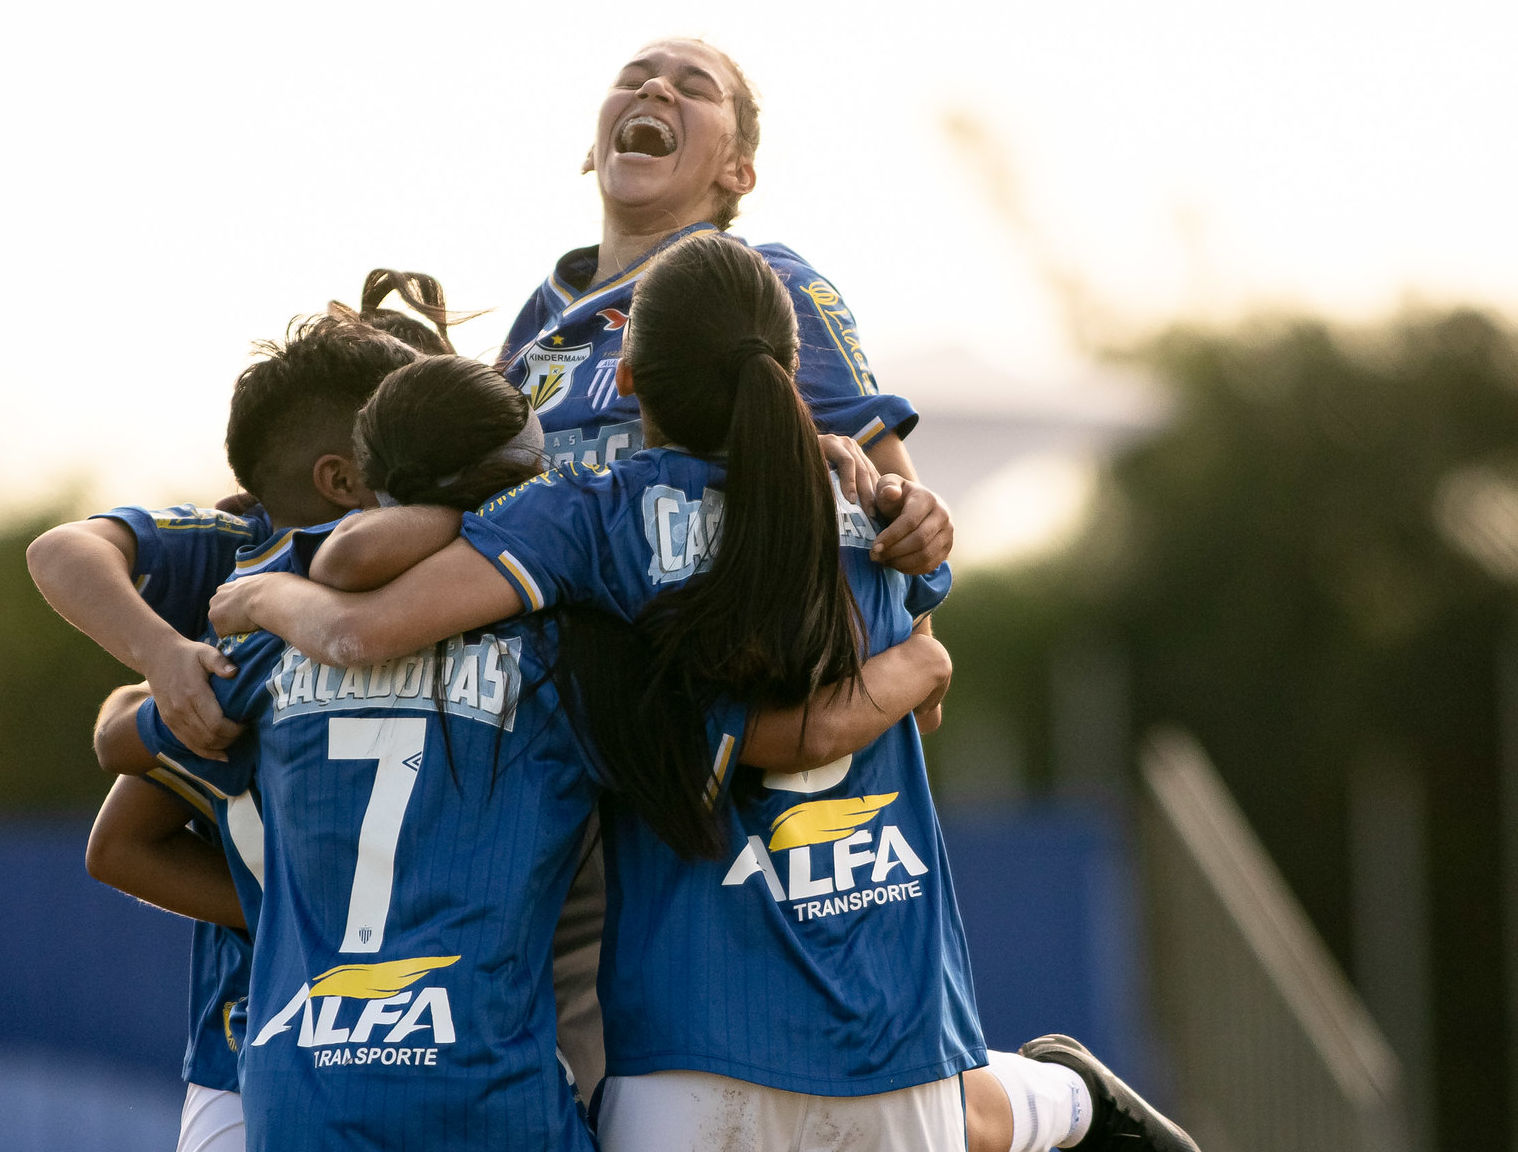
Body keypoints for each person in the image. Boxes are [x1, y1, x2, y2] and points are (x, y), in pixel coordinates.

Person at [212, 233, 1198, 1152]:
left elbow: (358, 617)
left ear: (626, 379)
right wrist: (918, 663)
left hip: (692, 1035)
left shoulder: (594, 519)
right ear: (786, 374)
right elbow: (871, 685)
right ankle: (1055, 1099)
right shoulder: (870, 503)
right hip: (892, 1022)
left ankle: (1056, 1099)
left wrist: (256, 591)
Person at [92, 350, 954, 1151]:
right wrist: (920, 658)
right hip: (486, 1084)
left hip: (295, 1090)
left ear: (368, 479)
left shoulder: (272, 637)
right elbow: (780, 741)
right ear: (520, 486)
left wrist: (195, 656)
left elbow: (119, 743)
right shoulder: (568, 653)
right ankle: (1048, 1102)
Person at [29, 300, 436, 1152]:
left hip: (383, 1024)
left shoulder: (450, 569)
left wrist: (137, 702)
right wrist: (162, 657)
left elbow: (117, 784)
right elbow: (60, 550)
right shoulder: (243, 561)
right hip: (298, 1024)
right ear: (342, 479)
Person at [500, 38, 928, 506]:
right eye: (631, 80)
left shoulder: (769, 287)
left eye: (697, 89)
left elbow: (894, 504)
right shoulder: (541, 311)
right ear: (592, 150)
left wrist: (916, 514)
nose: (655, 88)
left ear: (738, 171)